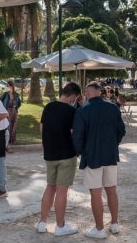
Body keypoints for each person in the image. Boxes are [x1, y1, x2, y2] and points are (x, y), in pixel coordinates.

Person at [73, 81, 126, 239]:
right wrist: (112, 144)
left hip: (92, 156)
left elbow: (77, 136)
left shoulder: (83, 110)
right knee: (111, 189)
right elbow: (121, 130)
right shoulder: (113, 107)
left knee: (95, 192)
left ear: (88, 93)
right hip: (110, 154)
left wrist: (81, 151)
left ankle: (99, 228)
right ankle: (115, 223)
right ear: (100, 91)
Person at [37, 82, 82, 236]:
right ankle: (60, 226)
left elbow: (41, 128)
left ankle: (42, 223)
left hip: (50, 154)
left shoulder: (48, 107)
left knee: (50, 186)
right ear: (73, 95)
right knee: (62, 191)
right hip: (66, 155)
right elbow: (74, 133)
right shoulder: (71, 111)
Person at [0, 79, 22, 151]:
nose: (6, 86)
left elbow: (19, 103)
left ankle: (12, 140)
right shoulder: (5, 94)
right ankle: (7, 142)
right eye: (6, 85)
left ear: (11, 86)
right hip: (7, 111)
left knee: (14, 125)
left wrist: (16, 108)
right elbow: (0, 101)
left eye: (8, 85)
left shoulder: (16, 94)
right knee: (7, 125)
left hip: (14, 111)